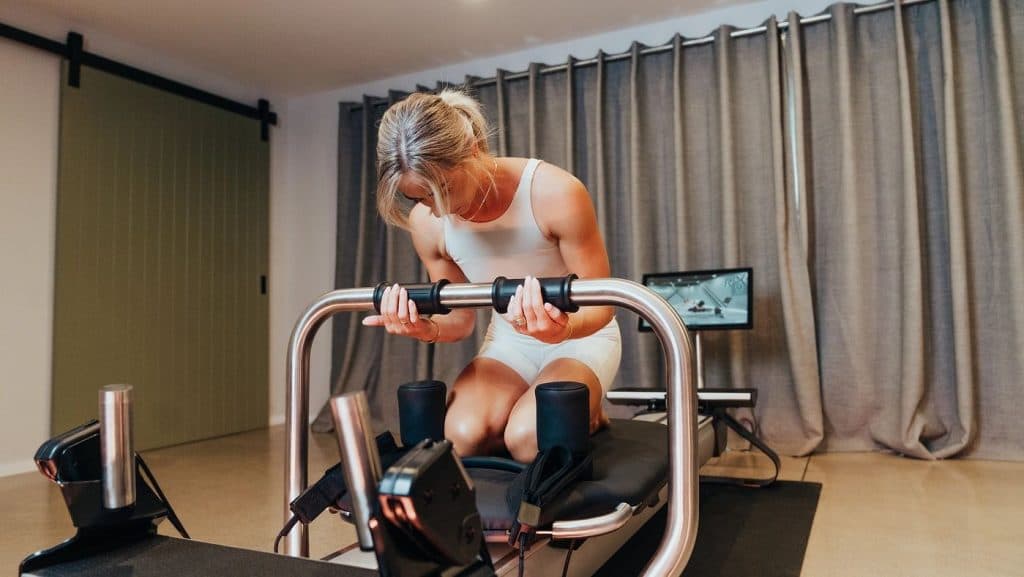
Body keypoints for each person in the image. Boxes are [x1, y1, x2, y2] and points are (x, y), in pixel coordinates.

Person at [363, 89, 621, 463]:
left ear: (474, 148)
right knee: (461, 437)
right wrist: (426, 328)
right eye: (421, 198)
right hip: (510, 342)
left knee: (530, 439)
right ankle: (525, 404)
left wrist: (560, 330)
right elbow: (460, 319)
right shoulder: (427, 224)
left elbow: (603, 307)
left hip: (580, 337)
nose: (438, 211)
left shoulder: (555, 192)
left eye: (445, 189)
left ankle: (587, 414)